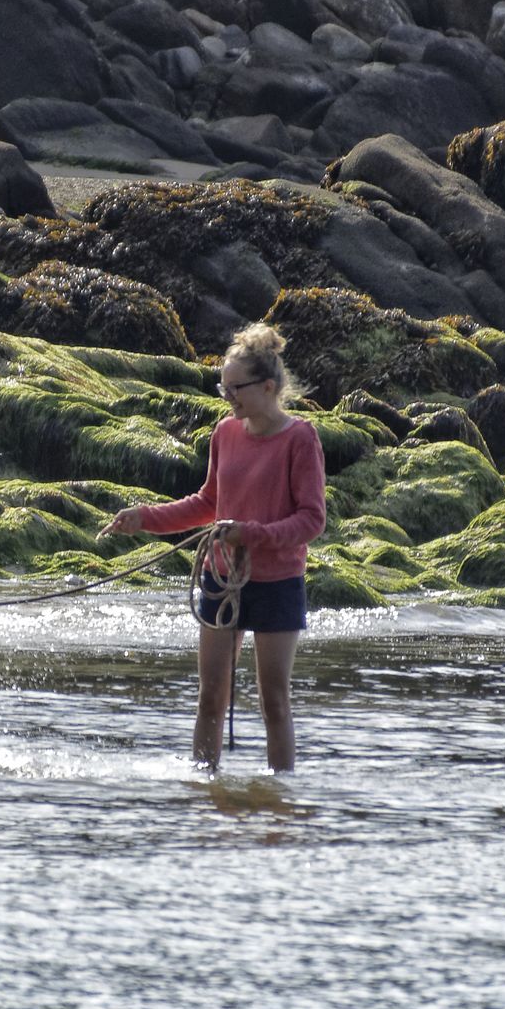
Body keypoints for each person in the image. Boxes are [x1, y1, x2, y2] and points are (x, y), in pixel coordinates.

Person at [105, 325, 326, 772]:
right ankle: (205, 786)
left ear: (268, 387)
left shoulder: (300, 438)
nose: (227, 396)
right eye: (223, 387)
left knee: (275, 704)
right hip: (220, 578)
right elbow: (208, 503)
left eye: (235, 387)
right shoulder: (224, 433)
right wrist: (145, 518)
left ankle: (278, 795)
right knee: (209, 697)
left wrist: (251, 534)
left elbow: (311, 520)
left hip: (277, 583)